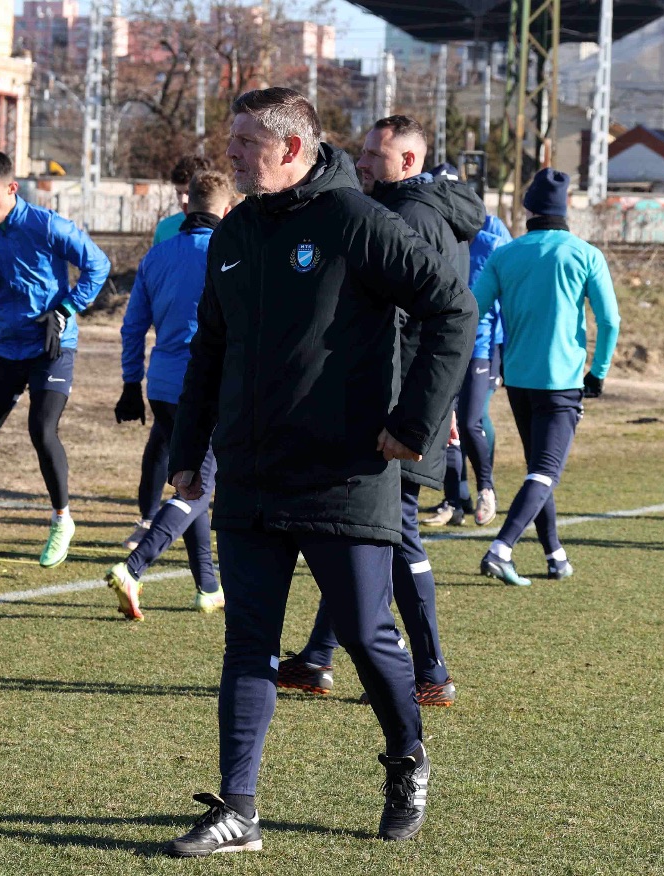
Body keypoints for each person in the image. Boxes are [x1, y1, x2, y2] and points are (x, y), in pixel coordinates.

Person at [161, 89, 476, 856]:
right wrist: (187, 451)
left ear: (292, 149)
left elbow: (452, 310)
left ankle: (407, 759)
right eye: (232, 139)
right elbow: (210, 348)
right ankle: (239, 810)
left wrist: (413, 423)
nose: (230, 153)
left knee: (366, 636)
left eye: (245, 141)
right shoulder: (234, 231)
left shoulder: (356, 221)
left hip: (345, 474)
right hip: (251, 474)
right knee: (248, 644)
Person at [276, 119, 484, 709]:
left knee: (394, 534)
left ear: (409, 162)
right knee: (360, 530)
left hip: (398, 407)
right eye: (363, 152)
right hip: (410, 401)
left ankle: (431, 671)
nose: (362, 162)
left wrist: (415, 409)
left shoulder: (407, 217)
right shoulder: (421, 210)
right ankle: (318, 657)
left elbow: (415, 322)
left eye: (375, 154)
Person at [0, 151, 110, 572]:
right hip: (5, 346)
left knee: (41, 429)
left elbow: (97, 265)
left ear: (12, 188)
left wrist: (65, 309)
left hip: (51, 344)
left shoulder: (47, 225)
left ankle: (62, 520)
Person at [474, 168, 620, 586]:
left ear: (527, 208)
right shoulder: (585, 254)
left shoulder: (505, 254)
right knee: (544, 471)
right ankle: (501, 549)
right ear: (566, 207)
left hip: (518, 379)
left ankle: (555, 555)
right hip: (562, 382)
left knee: (538, 469)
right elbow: (610, 321)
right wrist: (598, 373)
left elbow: (473, 308)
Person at [107, 170, 235, 619]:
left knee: (188, 480)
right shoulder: (229, 253)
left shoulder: (157, 255)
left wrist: (130, 383)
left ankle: (208, 586)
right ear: (228, 210)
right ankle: (133, 567)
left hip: (161, 386)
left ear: (187, 207)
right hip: (207, 387)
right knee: (199, 486)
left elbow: (132, 326)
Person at [427, 211, 511, 527]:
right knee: (448, 424)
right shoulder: (440, 242)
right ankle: (455, 499)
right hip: (448, 347)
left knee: (471, 420)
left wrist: (503, 355)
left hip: (483, 349)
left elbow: (505, 303)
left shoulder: (494, 244)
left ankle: (486, 489)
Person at [150, 155, 213, 248]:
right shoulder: (164, 228)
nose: (183, 199)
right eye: (179, 193)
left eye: (188, 192)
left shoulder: (222, 228)